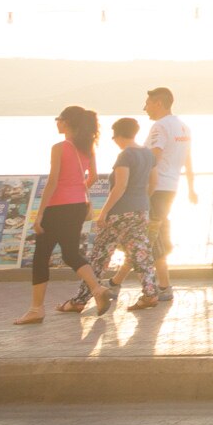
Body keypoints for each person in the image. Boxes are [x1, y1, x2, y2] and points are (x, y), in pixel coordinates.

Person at [11, 107, 112, 325]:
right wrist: (76, 190)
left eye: (58, 119)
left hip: (57, 207)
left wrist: (39, 214)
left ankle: (36, 309)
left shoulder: (59, 147)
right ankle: (97, 289)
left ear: (66, 122)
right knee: (70, 253)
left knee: (41, 256)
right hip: (78, 206)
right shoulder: (88, 148)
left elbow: (53, 181)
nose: (56, 122)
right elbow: (93, 177)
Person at [65, 118, 160, 313]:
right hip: (141, 211)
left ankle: (80, 300)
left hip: (119, 213)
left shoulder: (125, 155)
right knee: (141, 254)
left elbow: (120, 186)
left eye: (114, 136)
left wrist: (104, 212)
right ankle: (150, 293)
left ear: (118, 135)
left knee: (100, 256)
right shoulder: (148, 154)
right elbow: (154, 183)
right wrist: (142, 201)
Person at [145, 87, 194, 302]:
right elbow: (188, 159)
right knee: (155, 235)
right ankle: (160, 284)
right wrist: (191, 187)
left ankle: (163, 286)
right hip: (171, 187)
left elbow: (154, 158)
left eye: (148, 103)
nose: (145, 108)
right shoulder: (183, 127)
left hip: (156, 188)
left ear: (158, 103)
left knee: (151, 237)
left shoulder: (160, 126)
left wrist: (143, 185)